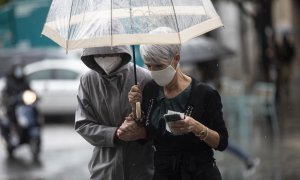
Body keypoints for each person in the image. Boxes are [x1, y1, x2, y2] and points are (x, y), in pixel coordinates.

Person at [126, 27, 228, 180]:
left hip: (199, 173)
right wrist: (135, 109)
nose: (153, 71)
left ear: (176, 58)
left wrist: (196, 127)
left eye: (159, 66)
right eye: (149, 66)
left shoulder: (205, 94)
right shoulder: (150, 90)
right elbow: (145, 136)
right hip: (163, 173)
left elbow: (222, 142)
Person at [74, 44, 154, 180]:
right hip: (104, 169)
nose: (104, 58)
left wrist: (138, 116)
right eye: (99, 54)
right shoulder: (87, 80)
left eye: (109, 53)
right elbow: (83, 124)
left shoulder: (144, 78)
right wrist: (115, 134)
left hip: (141, 167)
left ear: (121, 52)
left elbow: (156, 123)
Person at [1, 63, 31, 156]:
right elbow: (5, 93)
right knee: (8, 120)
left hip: (24, 106)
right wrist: (9, 99)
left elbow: (30, 90)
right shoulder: (9, 81)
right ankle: (12, 137)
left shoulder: (25, 81)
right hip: (13, 107)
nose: (19, 72)